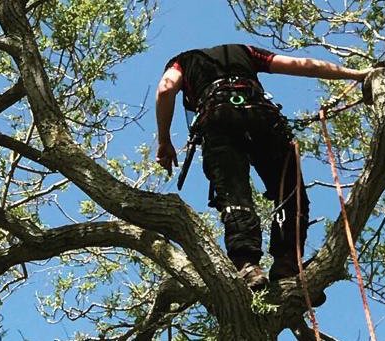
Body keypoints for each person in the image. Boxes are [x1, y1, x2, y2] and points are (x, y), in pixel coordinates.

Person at [154, 44, 370, 289]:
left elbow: (166, 89)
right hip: (262, 118)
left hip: (218, 121)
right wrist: (358, 74)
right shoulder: (245, 52)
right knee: (290, 192)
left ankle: (246, 264)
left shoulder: (183, 61)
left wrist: (164, 141)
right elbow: (305, 66)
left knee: (234, 194)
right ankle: (287, 263)